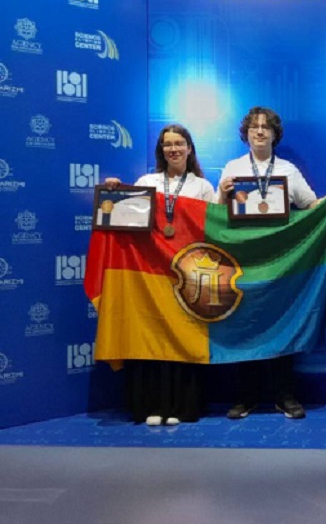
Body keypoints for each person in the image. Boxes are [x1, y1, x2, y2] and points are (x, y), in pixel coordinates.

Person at [104, 124, 215, 426]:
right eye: (167, 144)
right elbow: (128, 217)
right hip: (151, 275)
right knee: (151, 335)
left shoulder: (203, 187)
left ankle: (181, 406)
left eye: (179, 143)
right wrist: (116, 191)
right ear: (161, 150)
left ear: (189, 148)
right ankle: (151, 405)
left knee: (182, 336)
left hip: (185, 275)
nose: (173, 149)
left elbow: (215, 231)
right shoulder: (146, 182)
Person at [217, 106, 321, 420]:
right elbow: (215, 215)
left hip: (280, 261)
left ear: (275, 134)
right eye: (254, 127)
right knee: (245, 327)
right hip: (244, 262)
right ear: (246, 134)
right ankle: (245, 397)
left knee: (281, 326)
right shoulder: (233, 168)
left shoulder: (288, 170)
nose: (260, 132)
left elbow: (311, 205)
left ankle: (284, 396)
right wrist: (222, 194)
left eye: (266, 127)